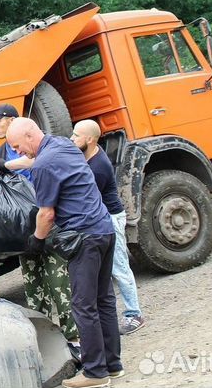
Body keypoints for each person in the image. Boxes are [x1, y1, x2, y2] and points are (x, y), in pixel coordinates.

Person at [7, 117, 122, 388]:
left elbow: (47, 214)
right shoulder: (62, 144)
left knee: (83, 305)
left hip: (84, 237)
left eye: (16, 146)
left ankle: (95, 372)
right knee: (103, 299)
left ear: (29, 135)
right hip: (104, 229)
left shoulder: (44, 164)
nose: (17, 152)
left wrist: (36, 240)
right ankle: (113, 365)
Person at [0, 104, 78, 342]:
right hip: (24, 231)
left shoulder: (38, 142)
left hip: (50, 224)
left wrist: (8, 166)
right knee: (34, 289)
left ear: (12, 120)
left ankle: (74, 338)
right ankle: (46, 341)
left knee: (60, 284)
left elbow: (37, 163)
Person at [71, 119, 145, 335]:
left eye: (76, 136)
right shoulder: (87, 154)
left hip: (110, 219)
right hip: (101, 217)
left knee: (119, 267)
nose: (72, 139)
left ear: (90, 140)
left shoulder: (98, 167)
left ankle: (134, 314)